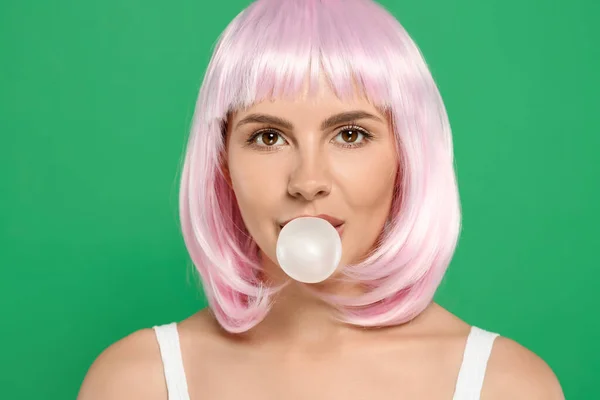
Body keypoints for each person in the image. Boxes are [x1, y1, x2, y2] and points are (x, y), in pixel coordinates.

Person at [78, 0, 564, 398]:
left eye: (350, 134)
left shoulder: (507, 385)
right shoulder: (136, 382)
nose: (307, 181)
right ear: (222, 162)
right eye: (268, 137)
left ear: (405, 156)